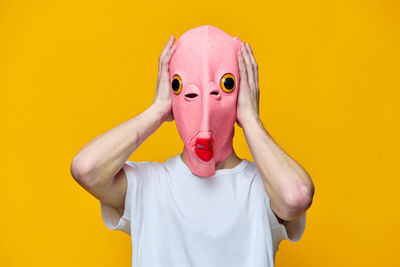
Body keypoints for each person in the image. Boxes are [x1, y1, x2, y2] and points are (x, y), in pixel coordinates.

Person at [70, 25, 315, 267]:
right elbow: (86, 168)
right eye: (185, 91)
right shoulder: (148, 186)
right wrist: (157, 110)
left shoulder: (262, 189)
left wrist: (251, 119)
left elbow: (296, 197)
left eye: (225, 86)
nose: (204, 110)